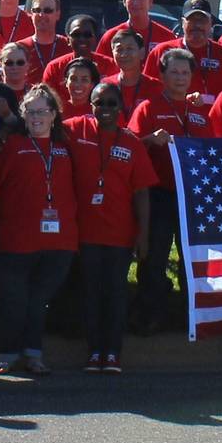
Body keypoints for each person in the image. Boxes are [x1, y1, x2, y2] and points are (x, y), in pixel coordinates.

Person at [67, 82, 158, 373]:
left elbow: (142, 192)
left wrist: (143, 234)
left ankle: (113, 353)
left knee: (116, 294)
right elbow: (41, 123)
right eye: (99, 103)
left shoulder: (131, 143)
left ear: (120, 108)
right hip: (84, 232)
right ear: (90, 105)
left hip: (120, 234)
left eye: (111, 103)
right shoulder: (75, 131)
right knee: (90, 293)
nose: (105, 109)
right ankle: (94, 351)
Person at [0, 86, 80, 375]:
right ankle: (7, 353)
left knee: (39, 301)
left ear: (54, 115)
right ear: (23, 115)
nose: (36, 117)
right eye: (30, 111)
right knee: (13, 300)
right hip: (15, 238)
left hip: (59, 240)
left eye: (42, 111)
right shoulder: (11, 145)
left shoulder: (66, 147)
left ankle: (33, 354)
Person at [127, 48, 209, 335]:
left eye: (185, 72)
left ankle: (192, 315)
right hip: (159, 194)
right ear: (162, 75)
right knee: (155, 257)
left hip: (193, 197)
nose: (180, 78)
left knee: (192, 259)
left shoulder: (200, 111)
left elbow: (213, 149)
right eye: (174, 72)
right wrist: (150, 139)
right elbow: (130, 146)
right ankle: (151, 315)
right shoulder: (148, 108)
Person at [146, 0, 222, 105]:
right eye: (192, 20)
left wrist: (209, 100)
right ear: (183, 23)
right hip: (172, 113)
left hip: (214, 114)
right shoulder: (162, 52)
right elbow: (147, 90)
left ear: (210, 23)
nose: (197, 25)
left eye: (202, 20)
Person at [97, 0, 175, 59]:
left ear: (150, 1)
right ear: (124, 2)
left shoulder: (167, 37)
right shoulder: (111, 37)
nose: (136, 3)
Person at [41, 14, 116, 97]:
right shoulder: (54, 68)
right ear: (68, 40)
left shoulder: (110, 65)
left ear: (95, 39)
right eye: (76, 35)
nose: (82, 39)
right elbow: (48, 100)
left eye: (87, 35)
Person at [100, 29, 161, 121]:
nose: (124, 54)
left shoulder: (156, 87)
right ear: (113, 54)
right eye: (119, 49)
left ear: (142, 53)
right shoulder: (105, 86)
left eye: (129, 48)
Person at [19, 0, 72, 75]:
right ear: (31, 14)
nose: (41, 15)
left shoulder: (69, 46)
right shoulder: (20, 48)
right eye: (37, 10)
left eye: (48, 11)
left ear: (57, 14)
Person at [61, 57, 99, 121]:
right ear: (66, 82)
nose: (78, 84)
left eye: (84, 80)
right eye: (73, 79)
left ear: (92, 84)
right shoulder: (57, 110)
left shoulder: (99, 110)